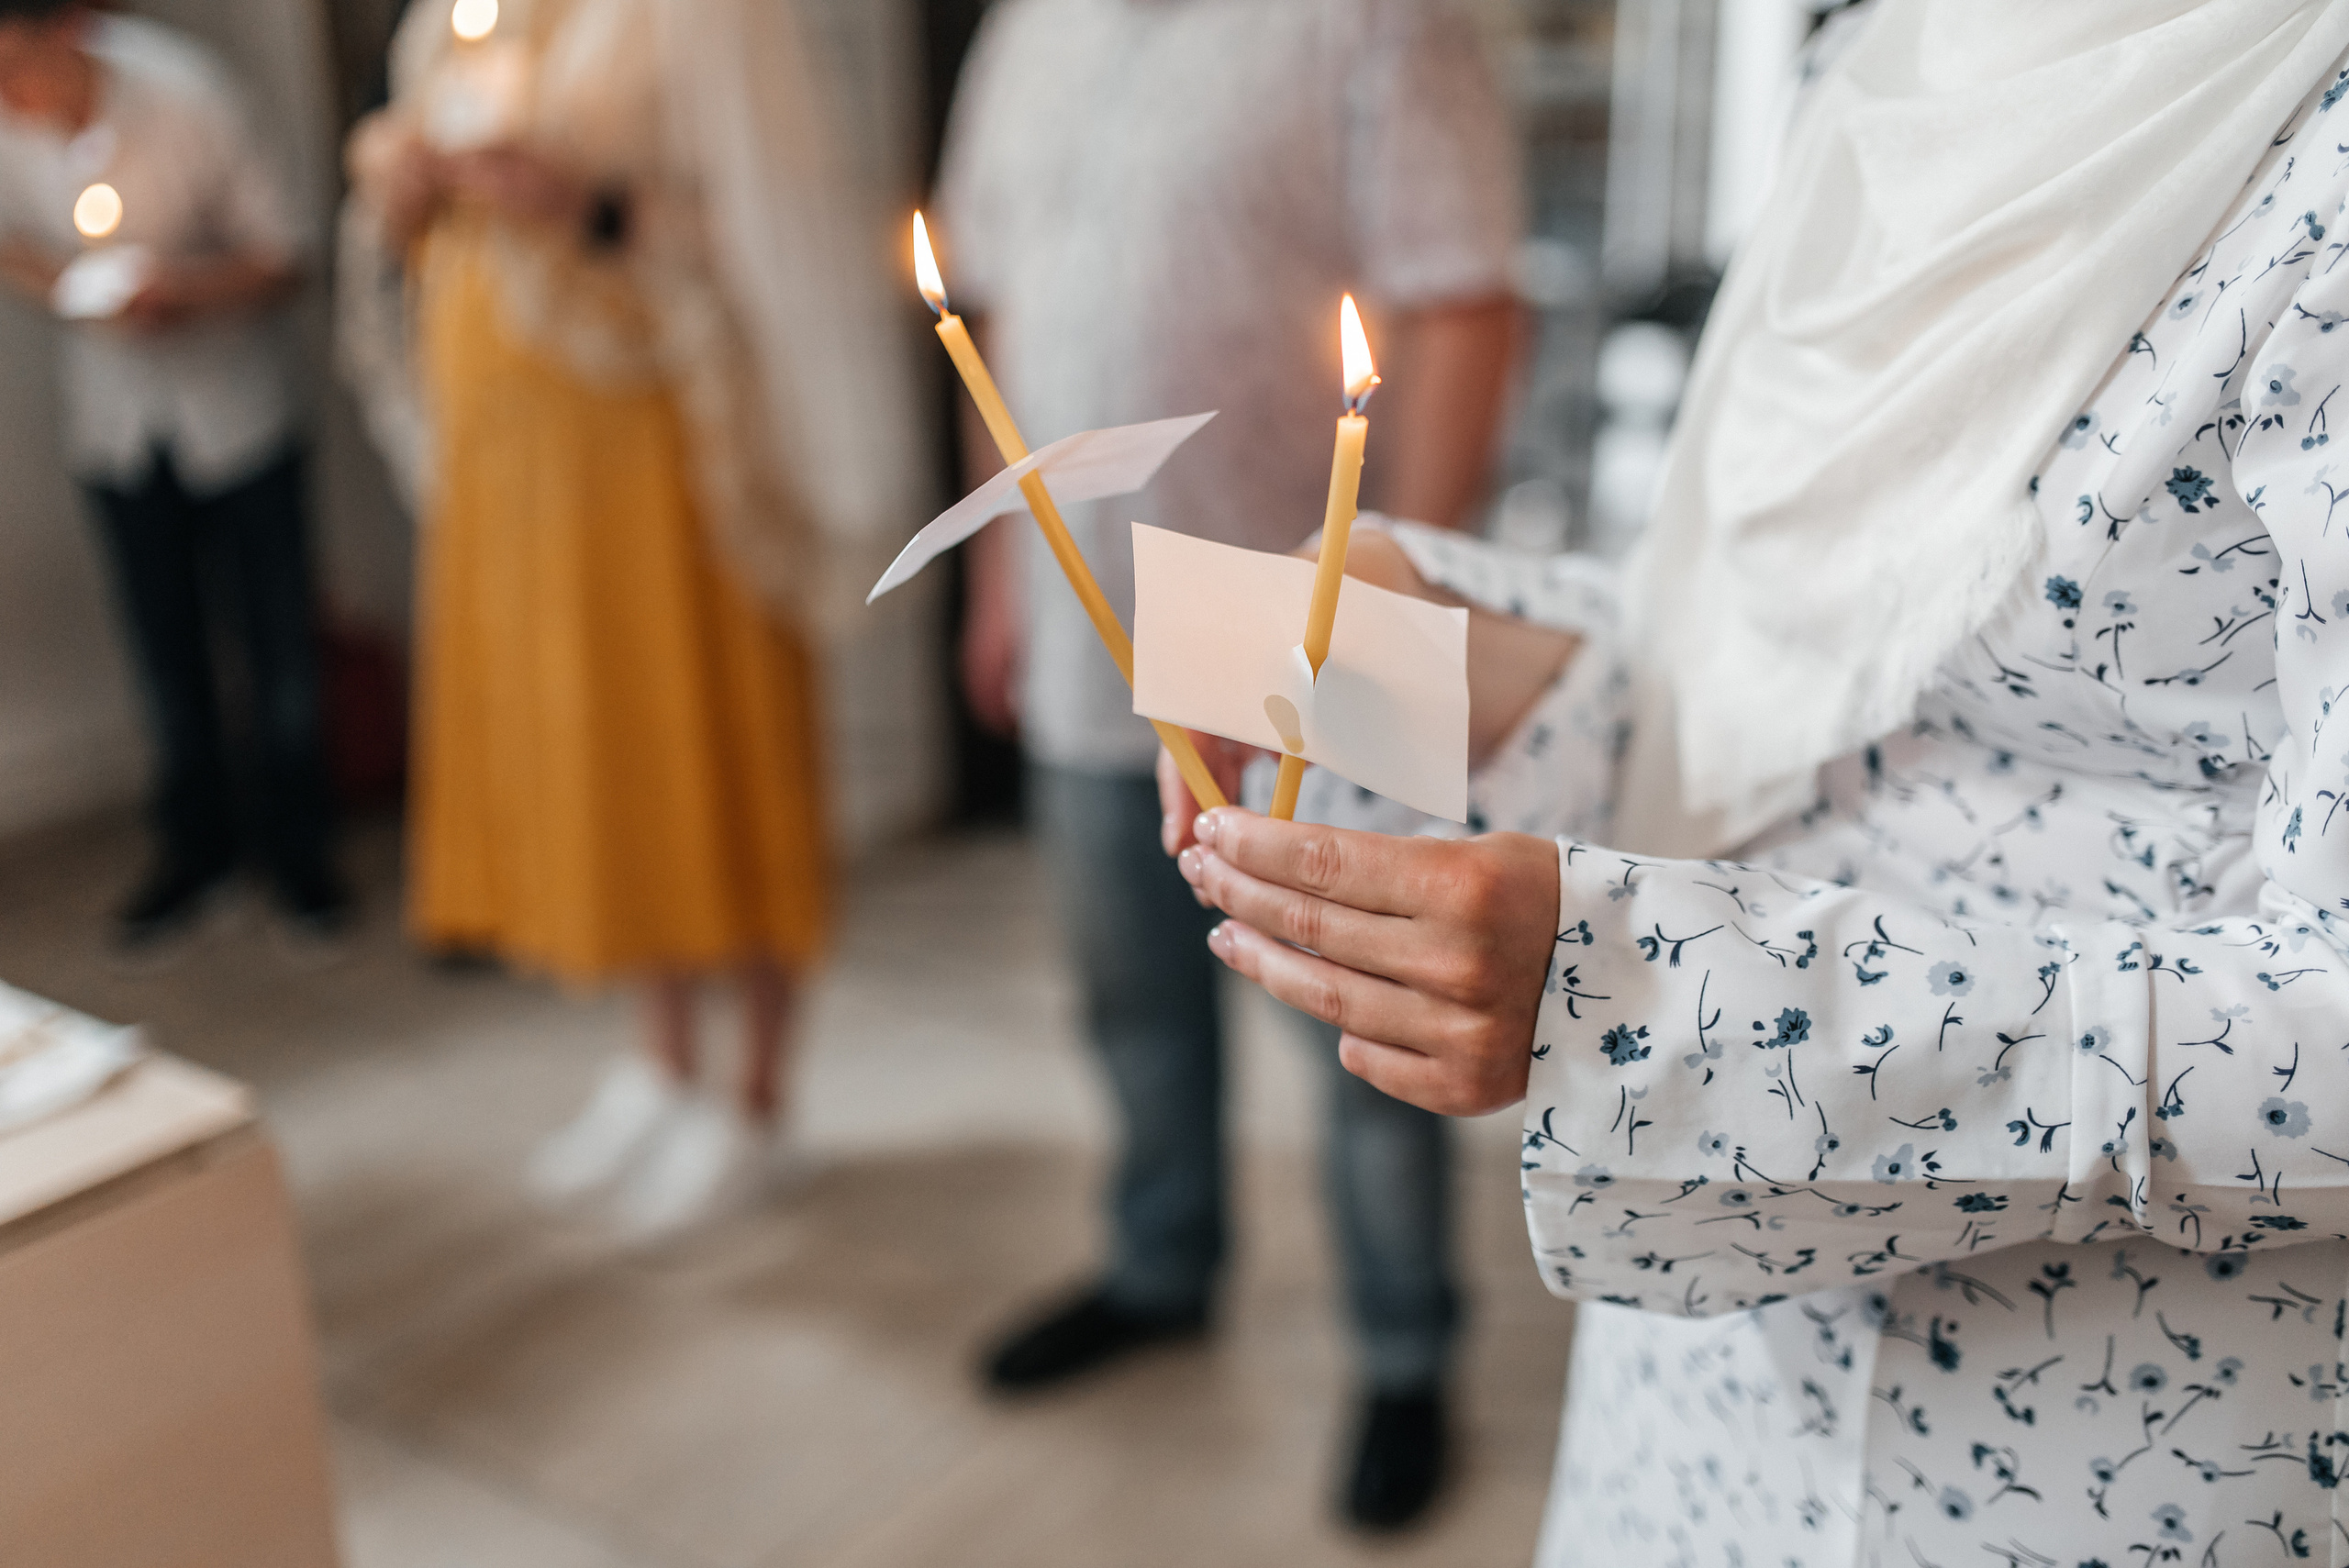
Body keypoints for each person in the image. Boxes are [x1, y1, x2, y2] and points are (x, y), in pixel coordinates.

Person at [1161, 1, 2349, 1561]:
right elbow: (1779, 669)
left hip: (2117, 1432)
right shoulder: (1879, 62)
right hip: (1701, 1372)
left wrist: (1668, 997)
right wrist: (1440, 657)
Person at [935, 0, 1520, 1530]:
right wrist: (996, 580)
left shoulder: (1376, 22)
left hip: (1304, 632)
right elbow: (993, 314)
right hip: (1087, 630)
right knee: (1131, 987)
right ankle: (1161, 1261)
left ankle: (1404, 1349)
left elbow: (1464, 301)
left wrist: (1395, 591)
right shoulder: (1028, 32)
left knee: (1358, 1025)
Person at [342, 0, 914, 1240]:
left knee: (711, 750)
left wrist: (591, 206)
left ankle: (757, 1096)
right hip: (523, 470)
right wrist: (405, 188)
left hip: (670, 462)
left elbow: (786, 223)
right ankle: (663, 1062)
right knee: (603, 764)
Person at [0, 0, 345, 953]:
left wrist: (183, 295)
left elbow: (287, 252)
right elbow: (13, 242)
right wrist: (71, 287)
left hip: (235, 411)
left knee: (276, 646)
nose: (9, 93)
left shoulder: (186, 94)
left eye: (15, 66)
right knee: (164, 649)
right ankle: (199, 848)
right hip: (116, 423)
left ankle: (301, 856)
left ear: (68, 30)